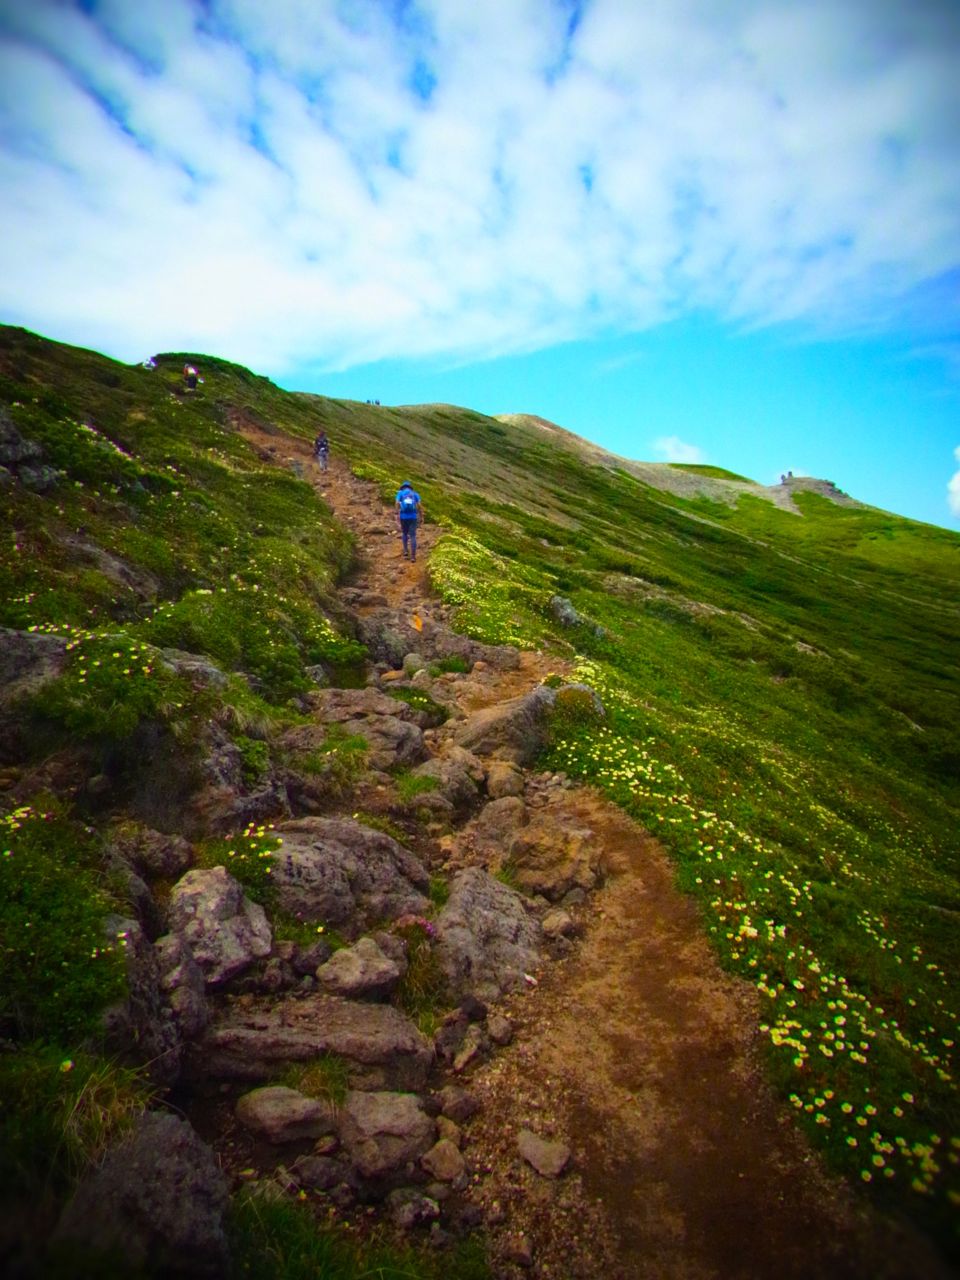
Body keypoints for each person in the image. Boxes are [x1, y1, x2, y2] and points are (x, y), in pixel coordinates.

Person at [395, 480, 423, 562]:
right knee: (413, 536)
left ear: (402, 487)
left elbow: (397, 503)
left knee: (404, 533)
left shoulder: (400, 493)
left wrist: (396, 512)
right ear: (410, 488)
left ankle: (406, 551)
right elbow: (419, 505)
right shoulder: (415, 494)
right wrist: (421, 516)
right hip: (413, 517)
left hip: (403, 517)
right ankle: (413, 556)